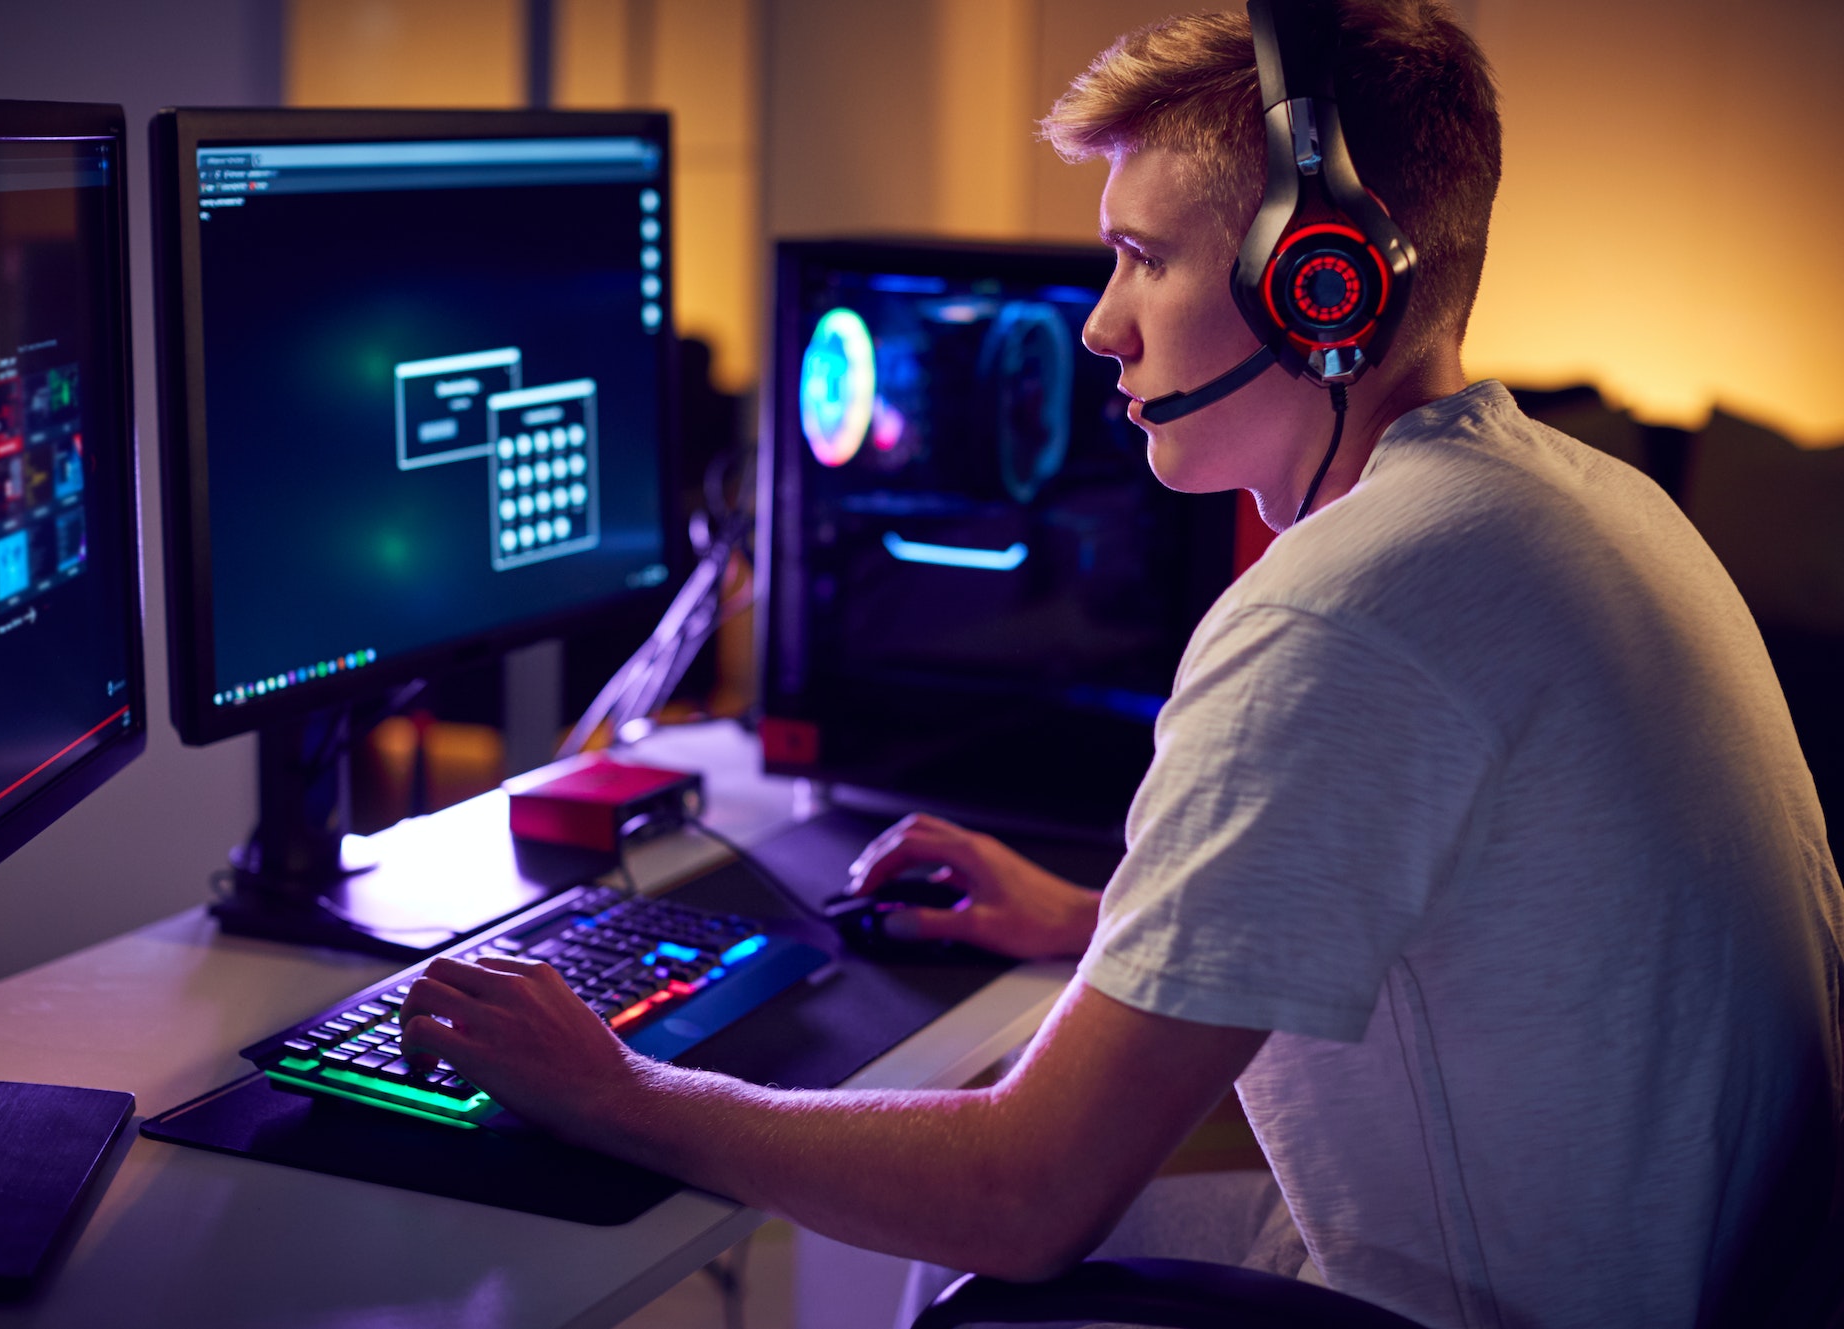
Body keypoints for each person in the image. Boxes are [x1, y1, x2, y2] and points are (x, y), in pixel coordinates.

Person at [400, 3, 1844, 1324]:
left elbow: (1023, 1196)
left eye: (1144, 258)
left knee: (980, 1265)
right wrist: (1091, 923)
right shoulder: (1579, 502)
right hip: (1676, 1276)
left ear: (1317, 282)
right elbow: (1477, 935)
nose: (1100, 322)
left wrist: (622, 1088)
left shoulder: (1338, 614)